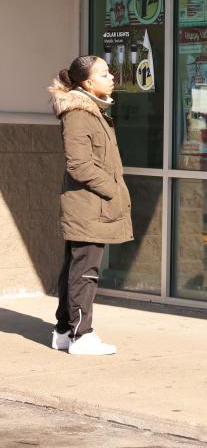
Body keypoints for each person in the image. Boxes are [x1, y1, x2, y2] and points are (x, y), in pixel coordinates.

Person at [49, 55, 132, 356]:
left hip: (90, 205)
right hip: (88, 206)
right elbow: (79, 165)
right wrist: (113, 189)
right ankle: (81, 335)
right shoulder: (79, 113)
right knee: (85, 271)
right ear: (87, 82)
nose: (111, 77)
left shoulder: (93, 111)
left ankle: (62, 331)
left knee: (75, 267)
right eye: (105, 73)